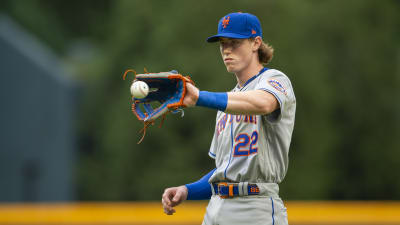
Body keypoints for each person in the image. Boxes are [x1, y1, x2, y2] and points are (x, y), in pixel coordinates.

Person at [161, 12, 296, 225]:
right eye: (223, 43)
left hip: (255, 206)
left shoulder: (274, 79)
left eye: (235, 42)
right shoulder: (225, 106)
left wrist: (200, 97)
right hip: (216, 207)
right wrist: (187, 190)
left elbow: (264, 103)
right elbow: (226, 168)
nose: (226, 50)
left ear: (256, 43)